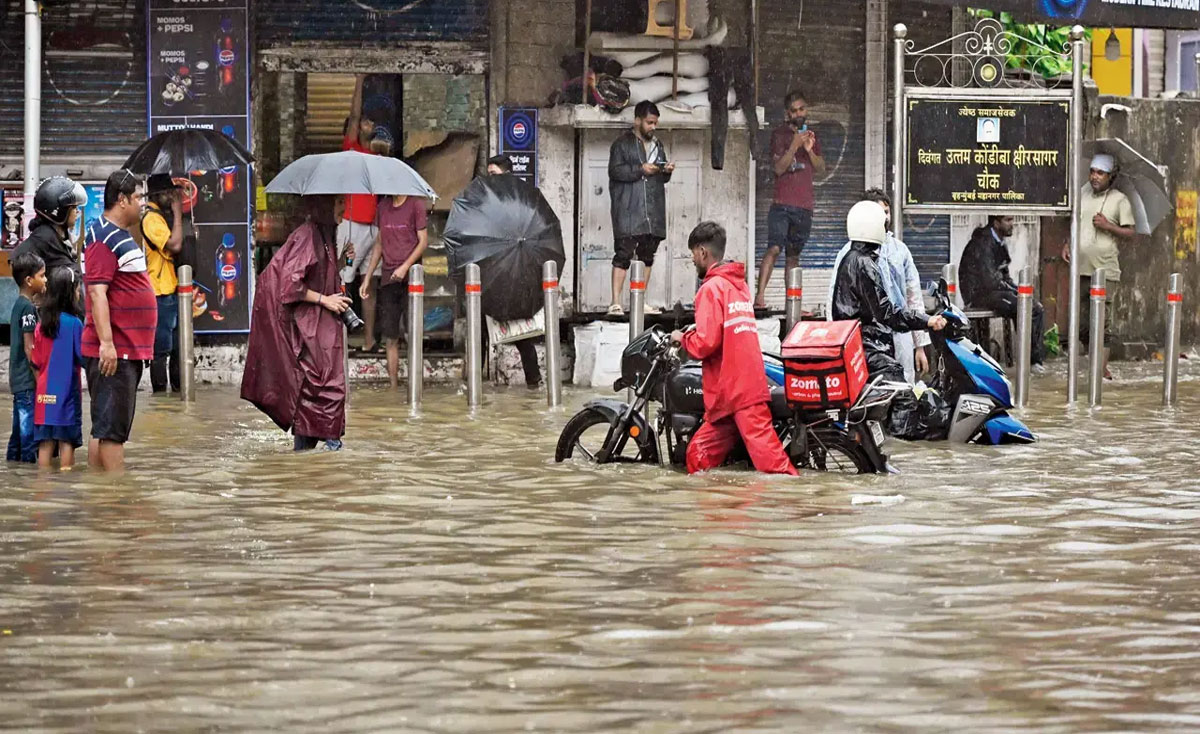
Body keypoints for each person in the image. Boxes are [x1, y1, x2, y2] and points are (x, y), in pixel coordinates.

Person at [669, 222, 797, 476]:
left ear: (702, 252)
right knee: (698, 455)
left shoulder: (710, 289)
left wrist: (682, 338)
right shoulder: (738, 286)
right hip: (736, 390)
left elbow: (705, 343)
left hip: (738, 392)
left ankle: (798, 496)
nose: (692, 259)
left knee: (776, 469)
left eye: (693, 253)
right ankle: (722, 501)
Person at [241, 196, 351, 451]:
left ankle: (305, 460)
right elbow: (290, 285)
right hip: (307, 330)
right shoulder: (307, 236)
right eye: (338, 204)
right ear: (324, 206)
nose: (343, 211)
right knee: (325, 390)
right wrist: (325, 300)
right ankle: (331, 452)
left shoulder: (324, 235)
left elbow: (319, 276)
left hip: (319, 329)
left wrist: (342, 260)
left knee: (314, 395)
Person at [82, 169, 156, 472]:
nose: (143, 203)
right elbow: (97, 292)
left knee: (104, 426)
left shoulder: (117, 235)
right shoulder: (103, 237)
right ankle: (115, 494)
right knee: (112, 432)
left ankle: (99, 490)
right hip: (116, 351)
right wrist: (107, 344)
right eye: (139, 197)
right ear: (122, 200)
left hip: (125, 349)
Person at [831, 201, 946, 381]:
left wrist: (919, 343)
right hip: (869, 346)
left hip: (861, 345)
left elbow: (912, 295)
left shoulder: (851, 257)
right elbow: (887, 312)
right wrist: (927, 320)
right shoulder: (864, 264)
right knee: (901, 389)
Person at [1062, 153, 1135, 379]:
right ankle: (1092, 365)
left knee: (1102, 324)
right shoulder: (1082, 193)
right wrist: (1067, 244)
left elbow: (1130, 233)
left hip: (1105, 271)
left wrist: (1108, 226)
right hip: (1080, 269)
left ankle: (1101, 371)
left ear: (1110, 176)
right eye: (1092, 172)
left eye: (1100, 173)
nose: (1094, 176)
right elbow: (1074, 222)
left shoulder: (1120, 200)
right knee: (1082, 325)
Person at [755, 90, 825, 309]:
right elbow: (778, 168)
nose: (799, 114)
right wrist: (794, 145)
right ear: (788, 113)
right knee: (774, 249)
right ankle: (759, 298)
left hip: (804, 207)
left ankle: (792, 305)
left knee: (793, 256)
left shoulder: (812, 136)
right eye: (794, 111)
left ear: (807, 110)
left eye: (802, 109)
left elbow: (821, 168)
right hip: (782, 205)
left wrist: (809, 150)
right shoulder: (779, 135)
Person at [607, 100, 674, 316]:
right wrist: (640, 169)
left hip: (652, 212)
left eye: (655, 123)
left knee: (647, 255)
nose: (653, 127)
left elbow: (661, 178)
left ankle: (640, 300)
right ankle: (615, 302)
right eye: (649, 122)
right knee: (623, 254)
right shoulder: (621, 144)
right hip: (629, 209)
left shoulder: (657, 145)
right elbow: (615, 172)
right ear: (637, 120)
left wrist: (666, 170)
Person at [479, 159, 542, 389]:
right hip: (490, 273)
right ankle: (475, 382)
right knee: (480, 329)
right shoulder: (486, 201)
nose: (491, 178)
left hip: (514, 272)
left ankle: (534, 382)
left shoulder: (520, 201)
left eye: (494, 173)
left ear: (506, 175)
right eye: (488, 174)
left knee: (520, 332)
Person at [360, 193, 429, 390]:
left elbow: (423, 241)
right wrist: (368, 277)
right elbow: (379, 244)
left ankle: (415, 386)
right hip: (389, 277)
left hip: (411, 279)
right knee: (391, 336)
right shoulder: (383, 207)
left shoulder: (416, 205)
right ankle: (393, 388)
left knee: (412, 332)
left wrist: (405, 267)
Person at [960, 215, 1046, 373]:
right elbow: (989, 281)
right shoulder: (983, 243)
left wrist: (1016, 290)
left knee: (1035, 307)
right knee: (1021, 306)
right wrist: (1012, 290)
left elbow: (1004, 276)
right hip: (978, 295)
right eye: (1007, 220)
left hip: (994, 292)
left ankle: (1035, 360)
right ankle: (1030, 362)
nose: (1012, 224)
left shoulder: (999, 243)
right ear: (996, 223)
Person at [341, 73, 383, 352]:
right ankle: (339, 340)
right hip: (351, 227)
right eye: (364, 122)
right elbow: (354, 116)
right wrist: (359, 81)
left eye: (372, 122)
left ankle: (369, 341)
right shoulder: (351, 149)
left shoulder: (377, 156)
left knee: (370, 286)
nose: (369, 124)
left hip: (373, 228)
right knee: (343, 282)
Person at [31, 267, 85, 469]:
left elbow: (35, 361)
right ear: (70, 293)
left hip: (43, 397)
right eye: (77, 289)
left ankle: (42, 482)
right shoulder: (75, 324)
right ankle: (66, 482)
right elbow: (82, 358)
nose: (79, 294)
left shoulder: (41, 325)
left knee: (45, 444)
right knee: (66, 443)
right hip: (67, 397)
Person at [136, 174, 185, 393]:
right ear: (157, 195)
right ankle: (160, 395)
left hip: (171, 290)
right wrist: (178, 212)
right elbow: (174, 245)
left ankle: (175, 395)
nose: (171, 197)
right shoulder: (151, 219)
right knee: (162, 349)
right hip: (160, 293)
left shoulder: (160, 217)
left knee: (176, 349)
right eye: (167, 193)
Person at [6, 252, 46, 464]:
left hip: (17, 379)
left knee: (17, 433)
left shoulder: (18, 305)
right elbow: (30, 348)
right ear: (29, 281)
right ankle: (29, 471)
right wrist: (40, 379)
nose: (45, 280)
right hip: (27, 381)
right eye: (42, 275)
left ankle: (13, 467)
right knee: (28, 433)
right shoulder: (28, 308)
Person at [13, 176, 88, 282]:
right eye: (74, 207)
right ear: (59, 211)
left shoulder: (57, 238)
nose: (77, 212)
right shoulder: (44, 239)